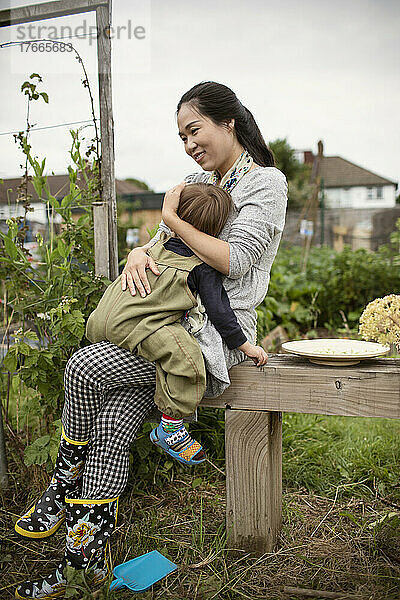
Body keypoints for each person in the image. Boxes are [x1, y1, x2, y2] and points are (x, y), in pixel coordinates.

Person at [14, 81, 287, 599]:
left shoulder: (266, 184)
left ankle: (60, 484)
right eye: (182, 136)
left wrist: (168, 219)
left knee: (85, 366)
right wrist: (141, 251)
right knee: (113, 428)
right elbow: (165, 246)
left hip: (208, 337)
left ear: (227, 123)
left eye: (194, 130)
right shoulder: (194, 180)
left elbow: (236, 261)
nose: (188, 145)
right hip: (158, 324)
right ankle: (81, 565)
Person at [85, 182, 268, 467]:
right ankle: (170, 426)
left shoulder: (153, 247)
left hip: (100, 321)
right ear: (217, 231)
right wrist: (246, 347)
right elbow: (221, 314)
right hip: (140, 326)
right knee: (188, 360)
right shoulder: (202, 267)